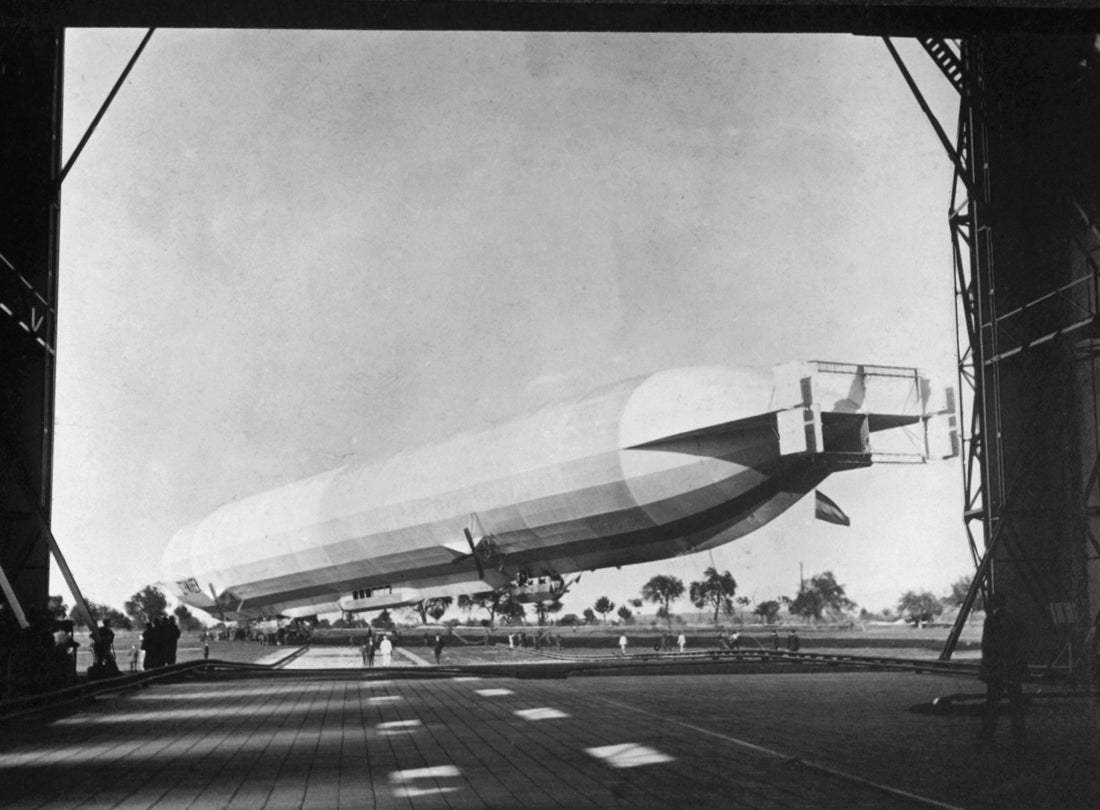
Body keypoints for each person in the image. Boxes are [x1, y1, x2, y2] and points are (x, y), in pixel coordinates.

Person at [979, 592, 1028, 745]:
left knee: (992, 703)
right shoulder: (1015, 619)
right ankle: (1019, 736)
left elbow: (987, 645)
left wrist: (986, 667)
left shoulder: (990, 621)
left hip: (997, 668)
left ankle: (988, 734)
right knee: (1016, 704)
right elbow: (1022, 643)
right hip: (1012, 667)